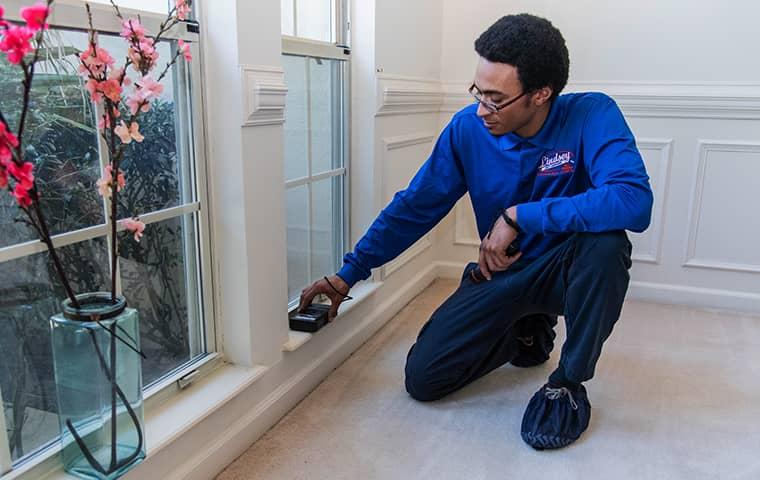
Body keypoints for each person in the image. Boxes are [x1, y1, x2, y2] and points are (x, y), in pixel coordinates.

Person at [298, 13, 653, 450]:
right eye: (478, 92)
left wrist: (519, 216)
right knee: (424, 379)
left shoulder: (592, 114)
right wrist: (348, 273)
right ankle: (526, 328)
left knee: (607, 245)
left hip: (567, 270)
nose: (482, 109)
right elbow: (416, 206)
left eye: (496, 99)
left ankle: (567, 383)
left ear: (541, 94)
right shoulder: (468, 129)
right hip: (503, 270)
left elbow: (633, 201)